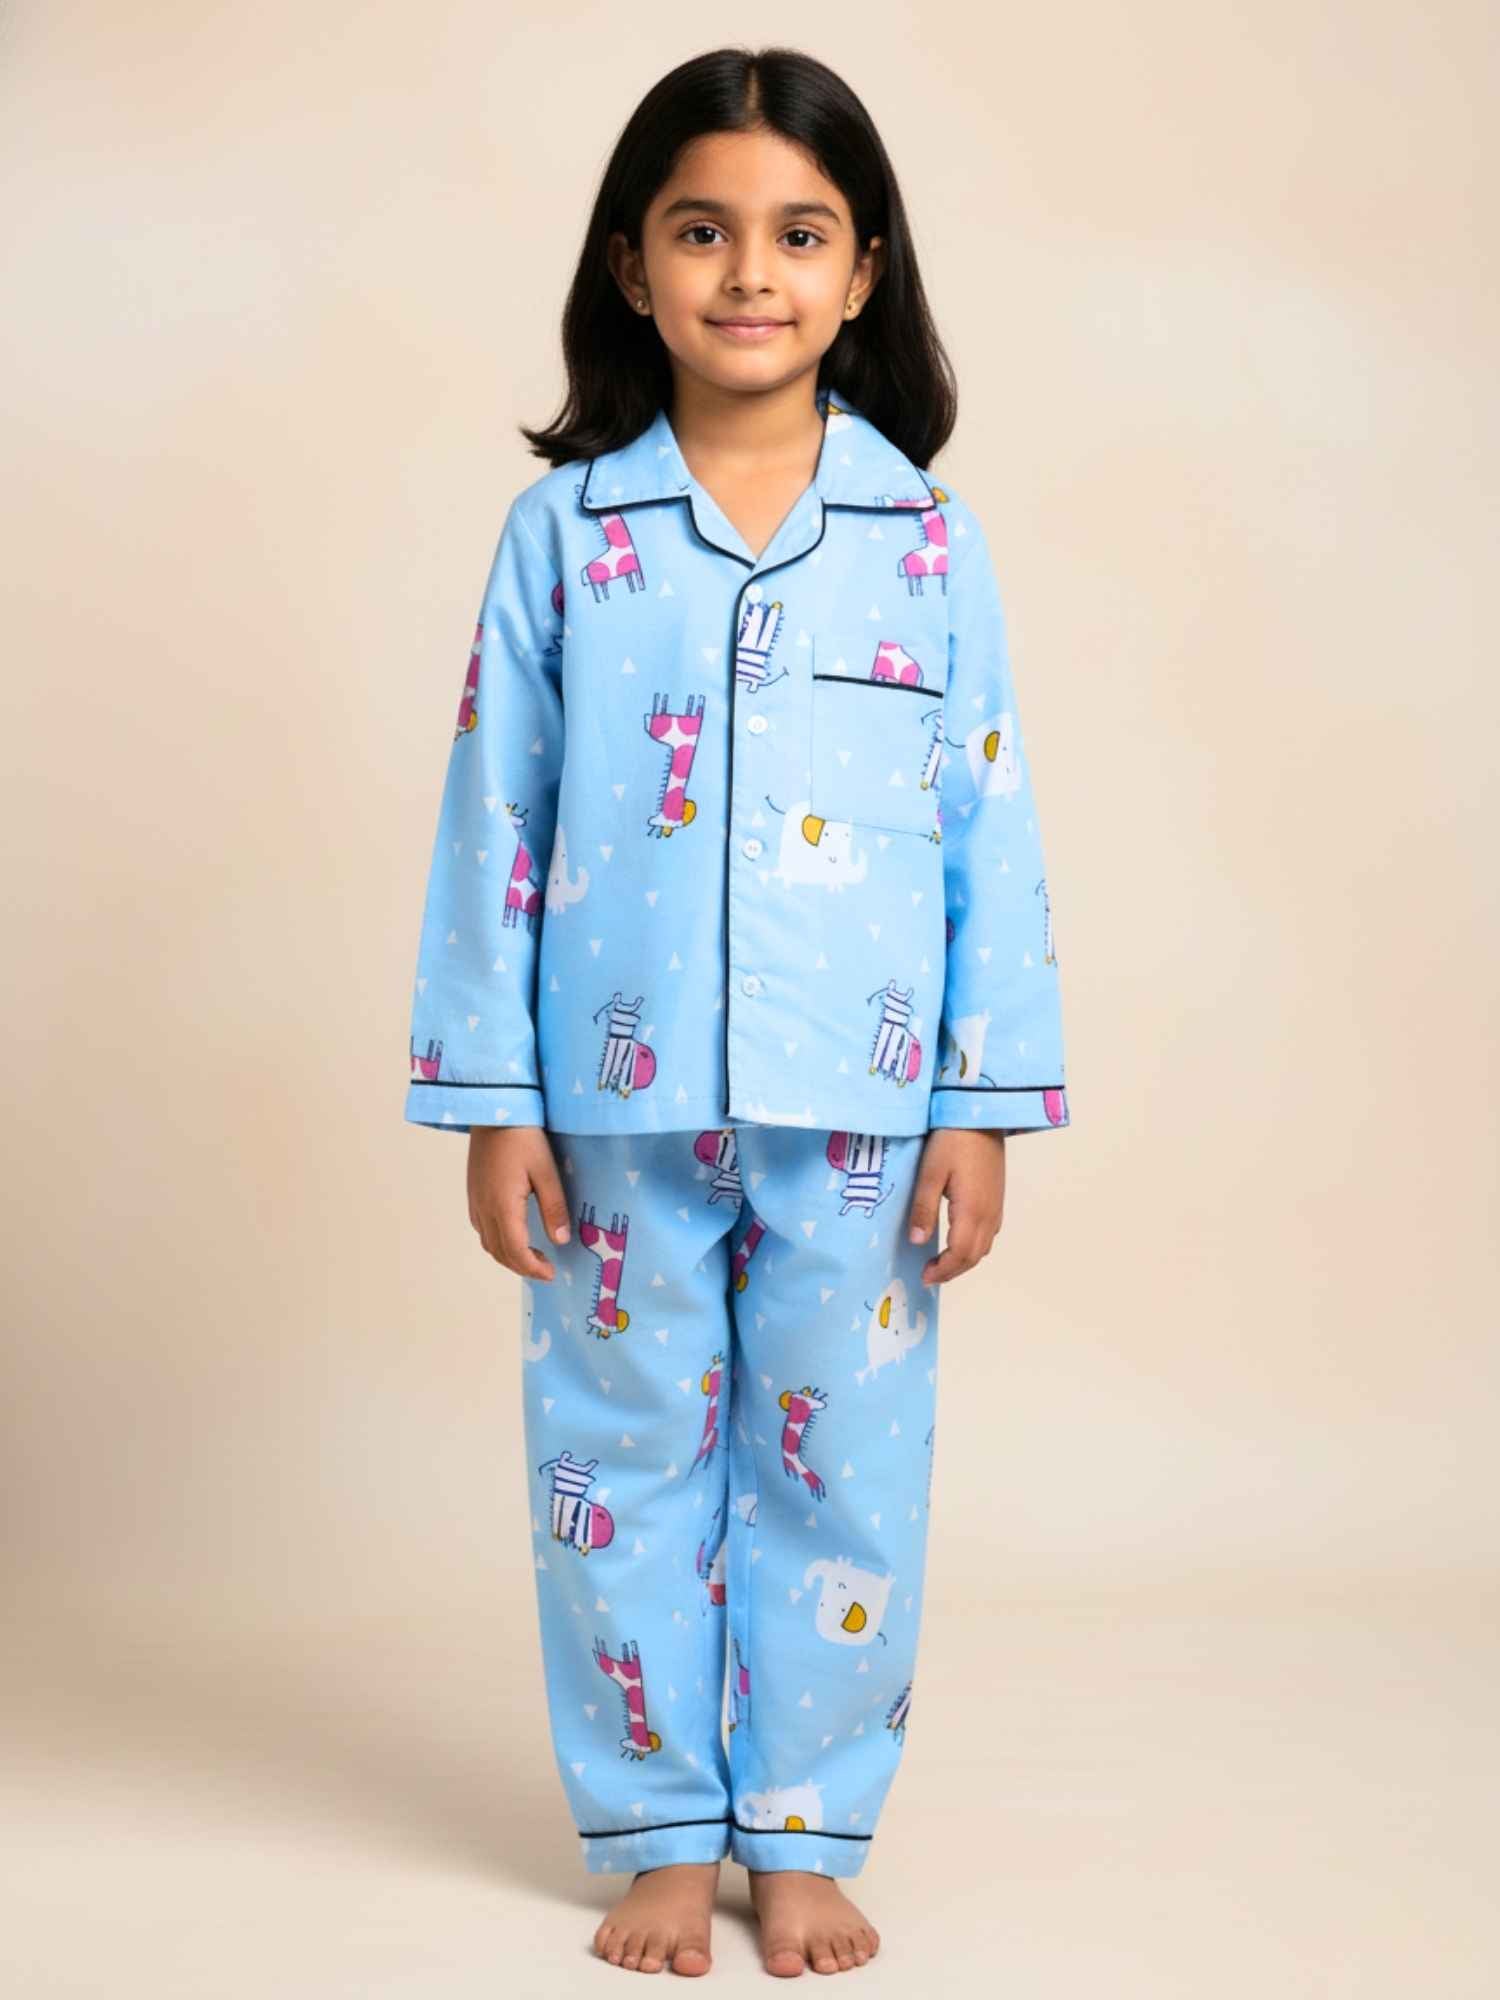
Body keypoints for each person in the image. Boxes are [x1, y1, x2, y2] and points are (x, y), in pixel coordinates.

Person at [403, 44, 1070, 1980]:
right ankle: (654, 1831)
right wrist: (494, 1097)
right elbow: (494, 811)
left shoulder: (926, 543)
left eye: (799, 233)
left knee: (841, 1470)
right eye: (703, 232)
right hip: (614, 1109)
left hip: (860, 1106)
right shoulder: (567, 538)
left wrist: (979, 1104)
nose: (751, 273)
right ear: (633, 266)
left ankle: (799, 1830)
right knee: (616, 1462)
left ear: (864, 273)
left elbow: (987, 822)